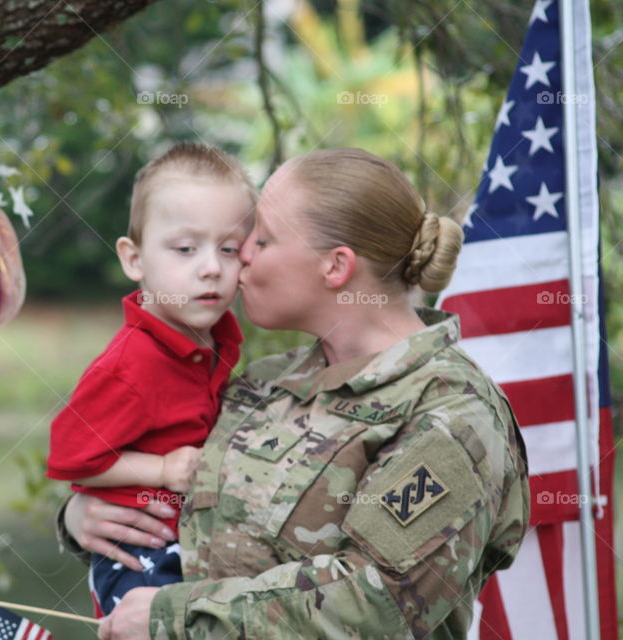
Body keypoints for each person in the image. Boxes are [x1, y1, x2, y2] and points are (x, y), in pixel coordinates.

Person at [57, 148, 530, 639]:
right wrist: (84, 517)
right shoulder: (264, 383)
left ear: (335, 267)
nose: (239, 256)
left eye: (260, 240)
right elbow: (183, 506)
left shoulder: (448, 411)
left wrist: (172, 617)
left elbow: (376, 604)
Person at [45, 142, 257, 617]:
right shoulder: (133, 364)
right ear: (134, 259)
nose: (211, 267)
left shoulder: (213, 343)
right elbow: (69, 456)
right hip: (141, 550)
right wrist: (159, 471)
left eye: (229, 249)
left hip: (193, 543)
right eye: (185, 249)